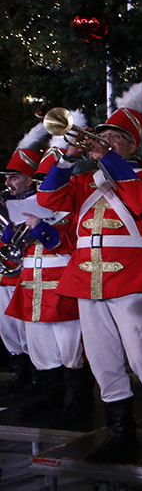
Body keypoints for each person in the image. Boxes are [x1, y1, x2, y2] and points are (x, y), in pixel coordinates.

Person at [38, 84, 142, 466]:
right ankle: (120, 433)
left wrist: (109, 160)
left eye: (116, 137)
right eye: (102, 135)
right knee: (103, 359)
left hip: (128, 275)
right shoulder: (82, 181)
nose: (104, 140)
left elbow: (139, 201)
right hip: (86, 275)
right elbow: (47, 199)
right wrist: (68, 159)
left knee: (141, 355)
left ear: (131, 147)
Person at [4, 125, 94, 421]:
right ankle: (51, 399)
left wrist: (41, 229)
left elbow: (70, 243)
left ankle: (80, 406)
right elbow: (13, 246)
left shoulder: (72, 207)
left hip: (61, 286)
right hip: (32, 285)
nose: (44, 189)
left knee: (72, 351)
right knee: (42, 349)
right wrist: (13, 232)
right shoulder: (22, 206)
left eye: (45, 181)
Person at [0, 136, 36, 399]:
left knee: (30, 330)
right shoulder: (5, 203)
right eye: (7, 177)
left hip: (29, 274)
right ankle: (20, 372)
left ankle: (37, 377)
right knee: (7, 327)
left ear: (29, 178)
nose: (7, 183)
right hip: (4, 275)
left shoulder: (41, 201)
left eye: (13, 177)